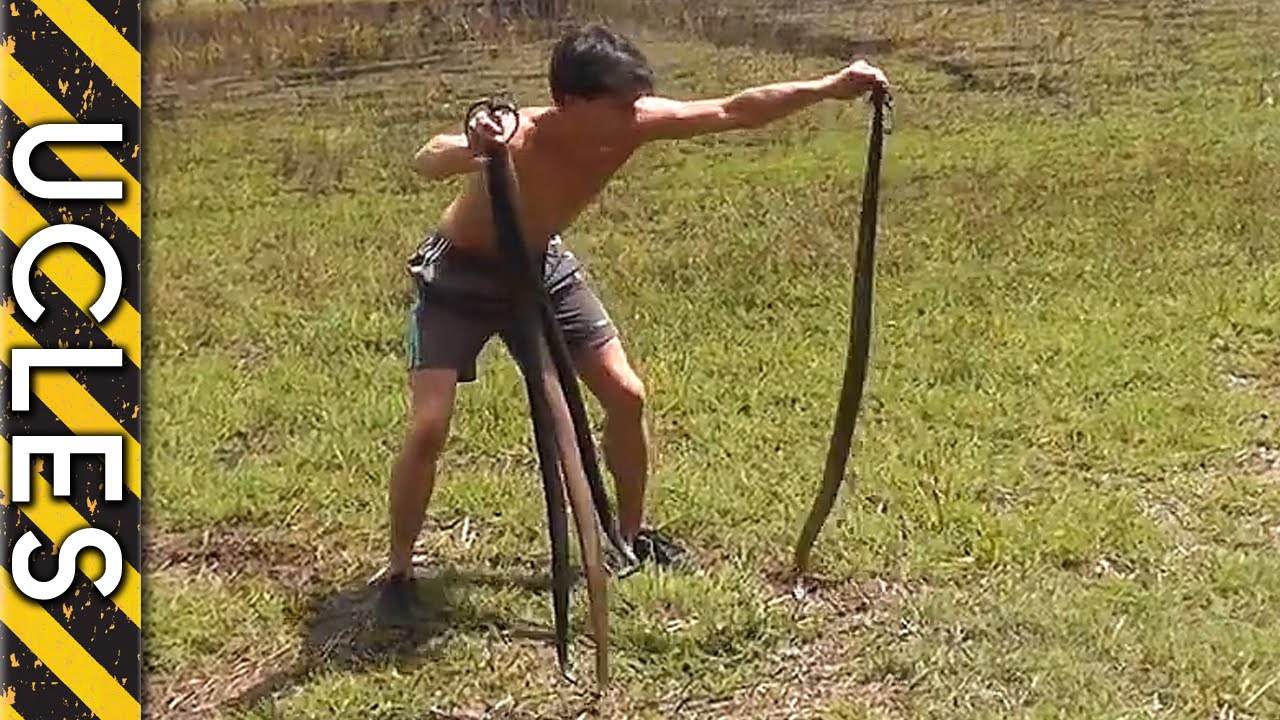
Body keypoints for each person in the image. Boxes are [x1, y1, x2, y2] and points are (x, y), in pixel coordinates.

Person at [379, 22, 890, 625]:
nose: (635, 113)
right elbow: (426, 159)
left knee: (626, 395)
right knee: (429, 427)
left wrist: (831, 86)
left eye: (635, 100)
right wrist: (474, 146)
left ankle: (628, 537)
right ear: (571, 103)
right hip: (460, 280)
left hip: (543, 269)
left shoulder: (634, 124)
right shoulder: (518, 134)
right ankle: (399, 571)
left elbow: (733, 110)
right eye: (620, 103)